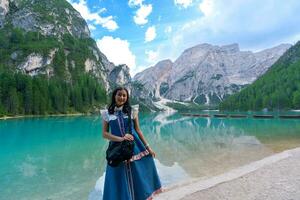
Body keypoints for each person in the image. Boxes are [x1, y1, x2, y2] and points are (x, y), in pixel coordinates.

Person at [100, 87, 162, 200]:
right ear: (114, 96)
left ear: (127, 98)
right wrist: (121, 138)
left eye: (124, 95)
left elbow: (138, 130)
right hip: (116, 148)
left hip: (134, 147)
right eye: (119, 95)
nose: (122, 97)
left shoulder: (132, 111)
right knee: (118, 176)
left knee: (137, 174)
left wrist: (148, 148)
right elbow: (104, 134)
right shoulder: (107, 113)